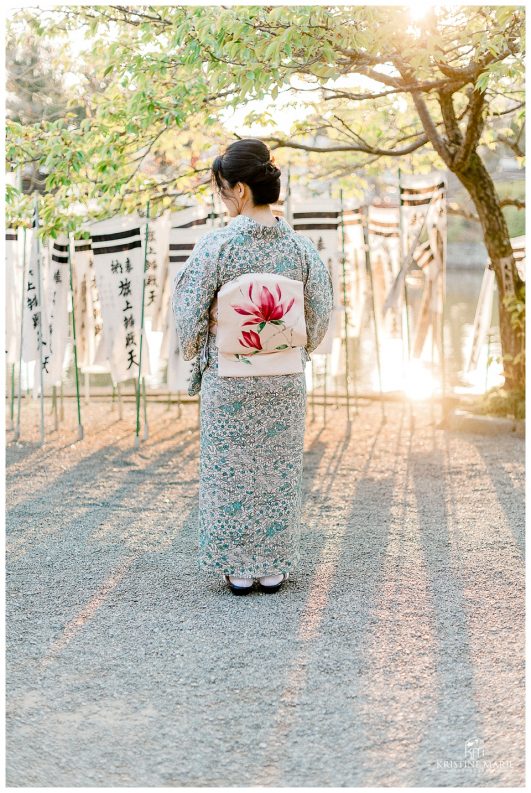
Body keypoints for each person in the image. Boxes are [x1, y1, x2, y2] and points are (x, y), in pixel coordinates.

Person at [171, 138, 334, 595]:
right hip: (283, 379)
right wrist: (289, 348)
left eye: (223, 189)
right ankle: (274, 567)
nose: (222, 198)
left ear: (240, 190)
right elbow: (319, 316)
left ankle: (238, 568)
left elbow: (188, 317)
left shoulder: (215, 247)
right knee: (277, 471)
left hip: (230, 380)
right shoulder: (301, 250)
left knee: (232, 468)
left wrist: (206, 341)